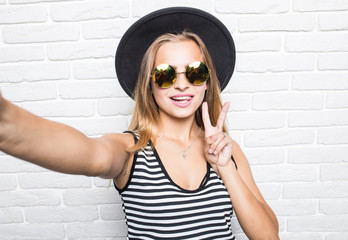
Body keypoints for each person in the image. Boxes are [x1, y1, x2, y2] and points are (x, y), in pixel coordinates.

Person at [0, 7, 279, 240]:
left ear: (207, 82)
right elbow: (89, 154)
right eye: (166, 74)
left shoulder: (229, 152)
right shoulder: (131, 149)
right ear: (149, 84)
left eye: (195, 72)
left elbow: (268, 236)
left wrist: (225, 168)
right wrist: (6, 123)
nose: (182, 84)